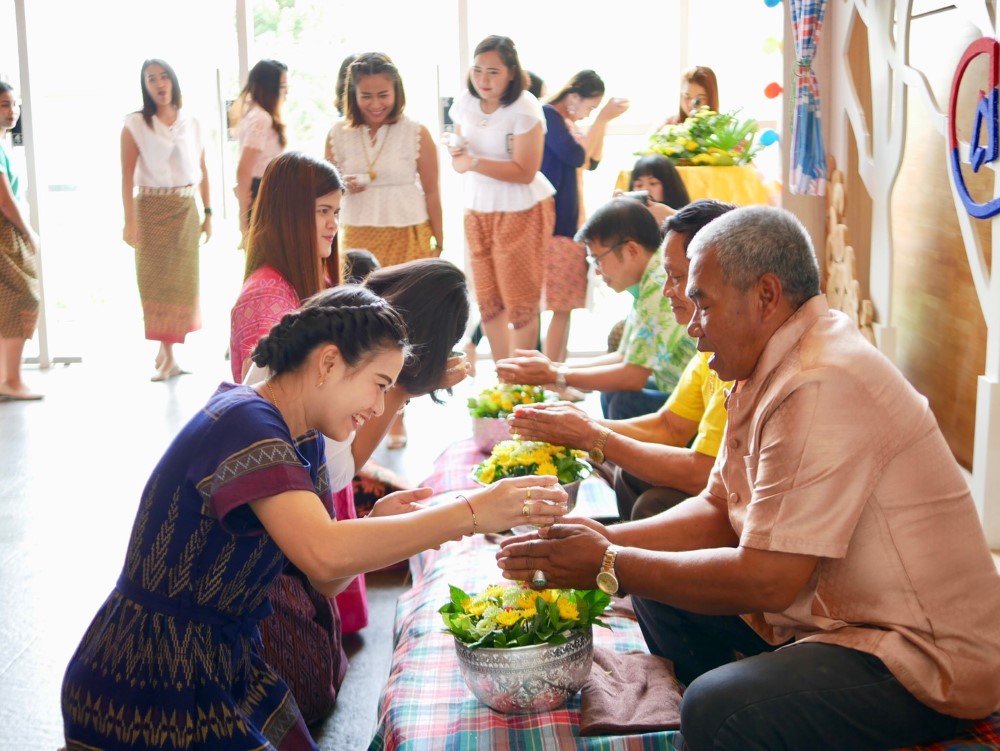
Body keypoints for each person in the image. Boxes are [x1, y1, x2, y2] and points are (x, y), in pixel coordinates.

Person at [497, 205, 1000, 751]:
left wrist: (609, 563)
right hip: (826, 621)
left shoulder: (818, 379)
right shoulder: (768, 361)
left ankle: (744, 710)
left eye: (702, 304)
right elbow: (718, 508)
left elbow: (768, 579)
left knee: (717, 705)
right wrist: (602, 542)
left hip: (920, 658)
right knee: (655, 588)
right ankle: (760, 708)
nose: (691, 326)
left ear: (765, 295)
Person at [61, 284, 568, 751]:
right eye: (378, 384)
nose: (377, 406)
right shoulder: (247, 421)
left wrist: (377, 526)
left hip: (220, 660)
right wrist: (473, 513)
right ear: (328, 364)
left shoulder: (298, 436)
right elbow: (325, 551)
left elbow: (325, 577)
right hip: (149, 674)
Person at [509, 200, 736, 521]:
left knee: (644, 490)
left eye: (677, 278)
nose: (668, 290)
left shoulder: (736, 350)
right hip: (695, 445)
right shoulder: (708, 340)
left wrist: (588, 432)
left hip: (730, 491)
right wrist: (576, 425)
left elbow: (704, 472)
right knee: (629, 471)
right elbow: (668, 425)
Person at [326, 51, 444, 449]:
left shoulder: (417, 132)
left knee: (402, 327)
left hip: (406, 231)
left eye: (383, 94)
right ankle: (348, 412)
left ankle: (396, 414)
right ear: (351, 94)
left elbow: (432, 190)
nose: (376, 103)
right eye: (366, 96)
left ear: (397, 92)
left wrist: (438, 241)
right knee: (356, 325)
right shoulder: (337, 134)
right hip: (357, 233)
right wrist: (343, 184)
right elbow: (325, 192)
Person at [496, 196, 696, 420]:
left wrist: (556, 374)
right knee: (613, 393)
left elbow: (633, 375)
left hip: (700, 398)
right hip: (677, 386)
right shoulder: (649, 278)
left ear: (631, 250)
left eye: (597, 260)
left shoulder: (660, 285)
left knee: (624, 400)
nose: (598, 273)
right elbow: (624, 356)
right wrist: (554, 368)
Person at [447, 35, 555, 363]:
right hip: (477, 206)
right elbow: (459, 161)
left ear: (511, 72)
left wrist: (474, 162)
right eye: (478, 70)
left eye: (492, 71)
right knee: (488, 300)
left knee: (521, 302)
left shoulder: (524, 106)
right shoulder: (465, 101)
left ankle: (522, 384)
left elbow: (525, 170)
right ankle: (503, 376)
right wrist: (457, 153)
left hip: (520, 208)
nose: (483, 79)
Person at [120, 58, 212, 383]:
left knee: (183, 284)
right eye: (151, 79)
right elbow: (126, 176)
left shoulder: (193, 122)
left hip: (186, 208)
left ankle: (167, 352)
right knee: (155, 281)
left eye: (163, 77)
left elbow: (202, 170)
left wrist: (209, 213)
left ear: (173, 81)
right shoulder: (135, 124)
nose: (159, 84)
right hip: (151, 209)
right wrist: (129, 221)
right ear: (145, 86)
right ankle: (167, 356)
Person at [540, 70, 629, 364]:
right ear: (574, 96)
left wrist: (601, 122)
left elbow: (592, 160)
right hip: (555, 226)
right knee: (560, 306)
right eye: (589, 107)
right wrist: (602, 118)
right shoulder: (549, 115)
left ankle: (557, 374)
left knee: (565, 306)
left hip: (569, 222)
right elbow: (578, 156)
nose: (588, 115)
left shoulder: (564, 122)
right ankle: (552, 377)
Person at [0, 81, 42, 401]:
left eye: (14, 104)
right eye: (4, 104)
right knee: (22, 298)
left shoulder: (4, 143)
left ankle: (9, 378)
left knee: (10, 302)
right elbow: (4, 198)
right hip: (5, 230)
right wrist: (28, 231)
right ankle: (11, 379)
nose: (11, 110)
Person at [235, 58, 288, 243]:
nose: (286, 91)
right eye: (282, 85)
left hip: (266, 190)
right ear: (269, 87)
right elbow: (244, 168)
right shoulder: (261, 119)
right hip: (263, 192)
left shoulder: (254, 114)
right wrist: (243, 218)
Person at [654, 64, 719, 132]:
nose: (692, 104)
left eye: (700, 98)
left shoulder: (724, 129)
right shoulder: (667, 126)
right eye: (687, 97)